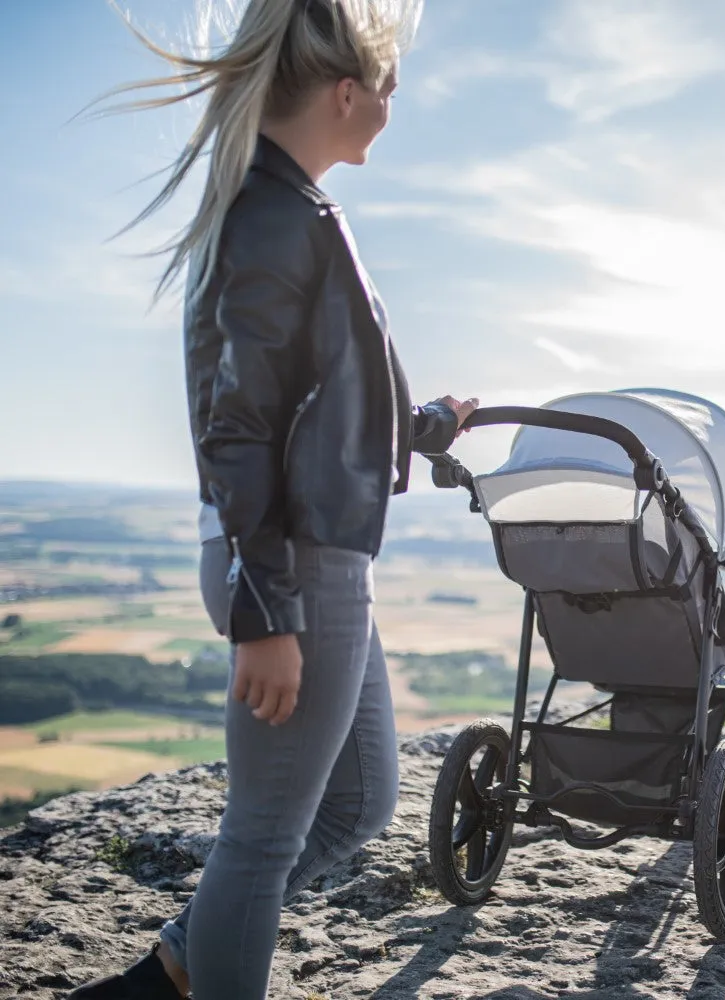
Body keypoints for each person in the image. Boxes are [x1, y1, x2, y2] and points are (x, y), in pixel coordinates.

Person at [70, 2, 476, 998]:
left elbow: (317, 402)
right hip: (290, 565)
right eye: (387, 86)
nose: (392, 102)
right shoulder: (271, 217)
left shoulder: (293, 210)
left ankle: (169, 971)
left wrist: (424, 422)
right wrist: (264, 614)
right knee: (262, 837)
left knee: (360, 802)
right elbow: (236, 423)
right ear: (346, 95)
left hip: (319, 560)